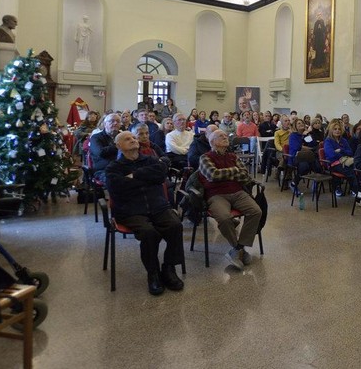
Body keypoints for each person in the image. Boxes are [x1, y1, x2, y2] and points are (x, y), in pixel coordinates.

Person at [105, 131, 184, 296]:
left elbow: (161, 174)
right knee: (149, 233)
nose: (133, 140)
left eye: (133, 138)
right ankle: (153, 273)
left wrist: (135, 175)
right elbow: (119, 187)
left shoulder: (150, 160)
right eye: (127, 139)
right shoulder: (114, 167)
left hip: (158, 206)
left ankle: (169, 268)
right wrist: (148, 177)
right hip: (131, 210)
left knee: (175, 225)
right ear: (119, 146)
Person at [198, 130, 262, 270]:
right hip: (216, 195)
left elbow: (245, 176)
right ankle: (238, 249)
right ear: (213, 141)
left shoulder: (233, 156)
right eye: (221, 136)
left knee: (256, 211)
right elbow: (213, 175)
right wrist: (234, 171)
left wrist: (227, 173)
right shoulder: (205, 157)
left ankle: (238, 248)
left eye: (226, 136)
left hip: (237, 192)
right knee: (225, 218)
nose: (225, 137)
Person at [323, 119, 361, 204]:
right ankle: (358, 196)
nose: (337, 131)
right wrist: (343, 155)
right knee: (351, 172)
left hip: (346, 162)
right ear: (331, 130)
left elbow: (350, 152)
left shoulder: (343, 140)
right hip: (334, 164)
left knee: (358, 170)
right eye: (335, 129)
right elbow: (331, 156)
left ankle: (357, 192)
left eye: (339, 129)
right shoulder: (328, 141)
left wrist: (341, 150)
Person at [287, 120, 322, 195]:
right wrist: (308, 147)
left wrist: (307, 135)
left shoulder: (306, 135)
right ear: (295, 126)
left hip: (308, 156)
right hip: (296, 157)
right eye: (298, 123)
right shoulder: (293, 135)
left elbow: (313, 144)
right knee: (305, 166)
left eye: (302, 123)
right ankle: (293, 184)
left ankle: (316, 183)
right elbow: (298, 147)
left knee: (318, 167)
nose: (301, 124)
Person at [89, 113, 121, 184]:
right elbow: (100, 152)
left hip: (122, 167)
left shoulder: (123, 136)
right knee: (115, 180)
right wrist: (117, 146)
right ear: (105, 124)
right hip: (103, 169)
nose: (115, 123)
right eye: (112, 121)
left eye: (118, 121)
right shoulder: (96, 137)